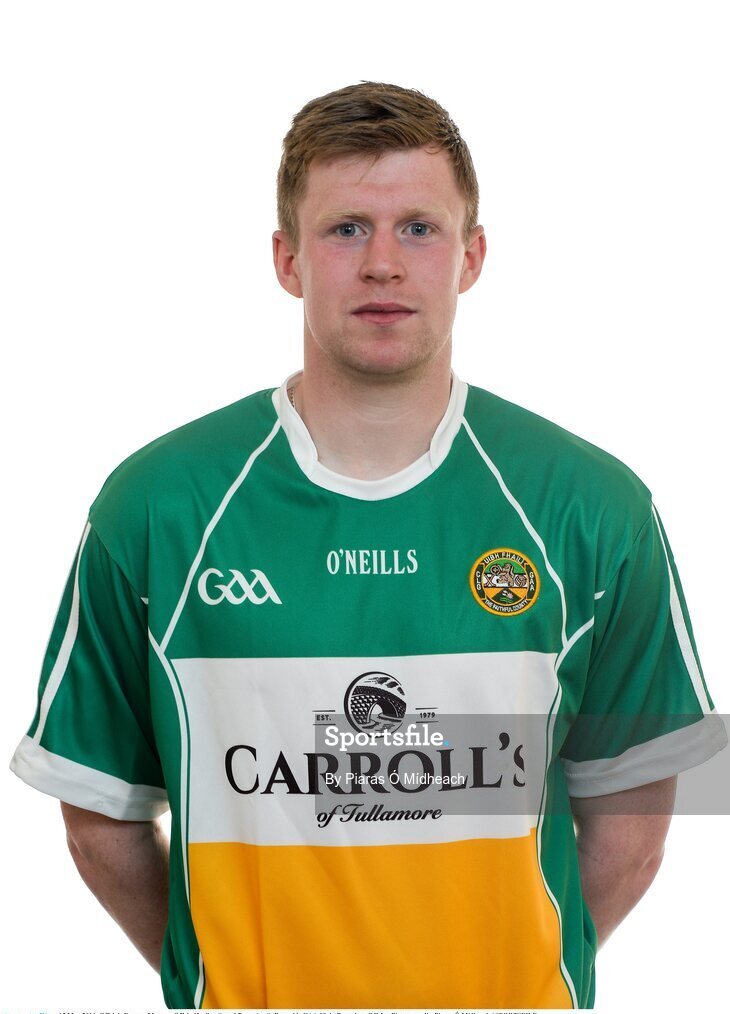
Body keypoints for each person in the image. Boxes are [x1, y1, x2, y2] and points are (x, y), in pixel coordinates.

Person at [9, 81, 727, 1010]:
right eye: (347, 228)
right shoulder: (156, 507)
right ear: (287, 259)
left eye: (419, 229)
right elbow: (98, 819)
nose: (384, 263)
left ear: (471, 257)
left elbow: (631, 831)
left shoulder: (592, 507)